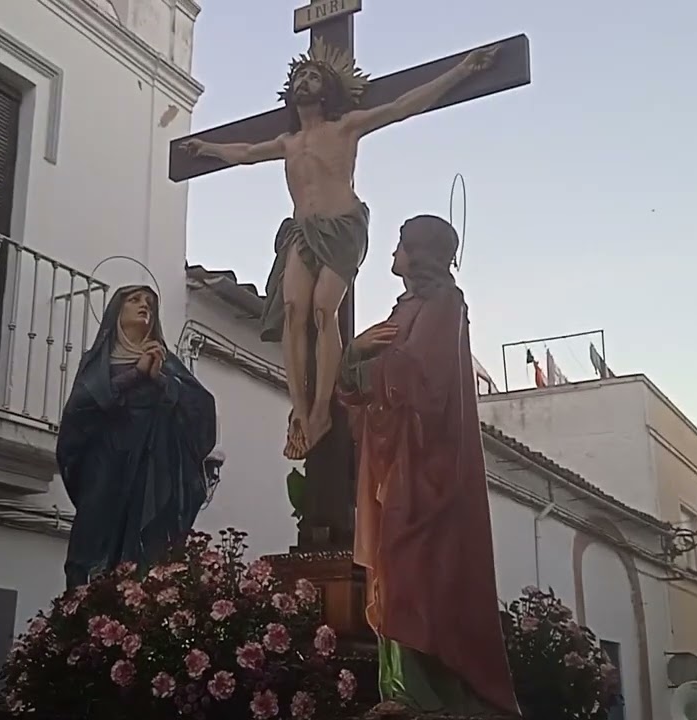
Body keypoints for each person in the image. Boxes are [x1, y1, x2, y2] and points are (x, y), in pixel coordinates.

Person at [181, 40, 499, 460]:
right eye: (299, 77)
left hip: (342, 227)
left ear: (327, 89)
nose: (305, 81)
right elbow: (244, 153)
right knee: (294, 311)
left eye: (313, 76)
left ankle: (322, 409)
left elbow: (403, 105)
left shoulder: (346, 127)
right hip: (301, 231)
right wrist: (206, 148)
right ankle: (300, 408)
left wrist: (460, 72)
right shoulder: (288, 143)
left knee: (321, 310)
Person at [339, 216, 520, 717]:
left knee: (417, 570)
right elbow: (358, 386)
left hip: (426, 465)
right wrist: (354, 353)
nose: (391, 255)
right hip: (394, 459)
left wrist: (368, 362)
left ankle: (426, 694)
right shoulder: (407, 309)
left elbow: (424, 376)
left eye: (399, 245)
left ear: (420, 252)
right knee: (393, 568)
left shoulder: (445, 304)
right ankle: (400, 688)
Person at [55, 285, 218, 589]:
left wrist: (161, 381)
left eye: (150, 303)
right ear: (117, 311)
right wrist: (136, 374)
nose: (144, 306)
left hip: (152, 470)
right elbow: (80, 407)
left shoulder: (166, 363)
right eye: (134, 300)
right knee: (91, 549)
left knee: (152, 553)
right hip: (104, 467)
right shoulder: (96, 363)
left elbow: (202, 409)